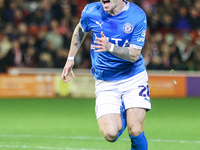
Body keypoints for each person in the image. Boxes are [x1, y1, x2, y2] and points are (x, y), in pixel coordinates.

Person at [61, 0, 151, 149]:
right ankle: (125, 114)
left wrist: (110, 47)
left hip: (133, 77)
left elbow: (135, 54)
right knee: (110, 134)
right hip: (105, 81)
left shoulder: (137, 15)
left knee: (135, 129)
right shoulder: (91, 11)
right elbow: (80, 29)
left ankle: (131, 115)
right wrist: (70, 58)